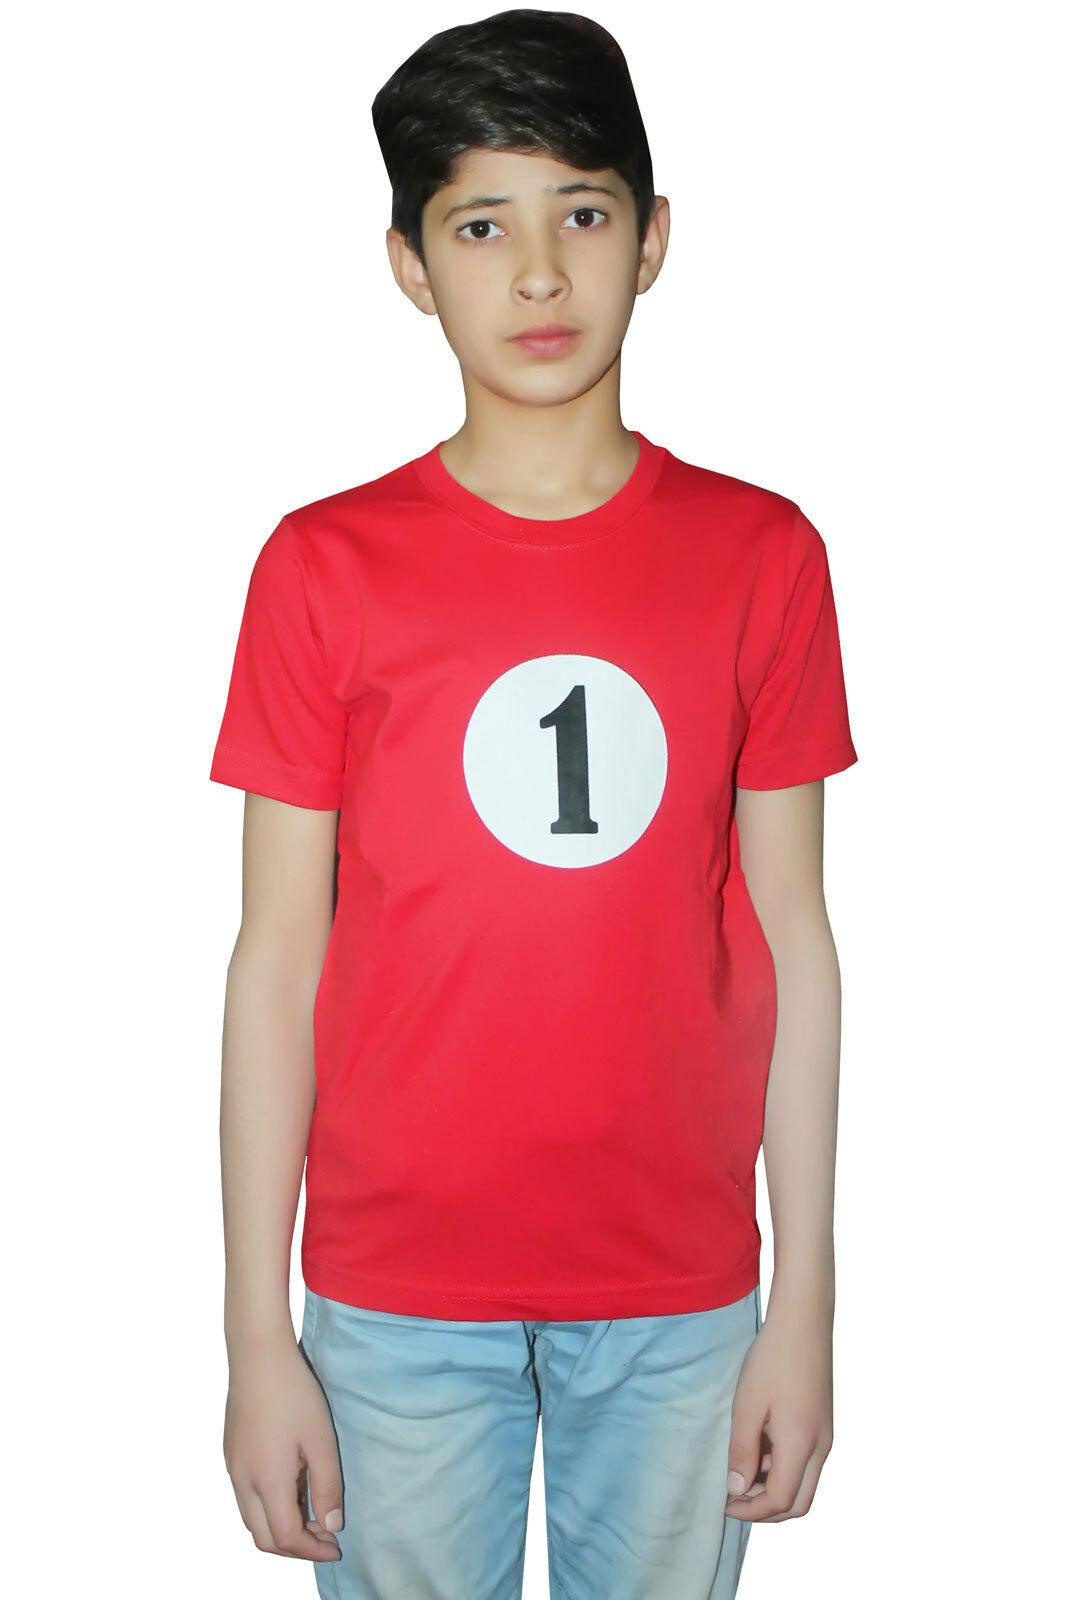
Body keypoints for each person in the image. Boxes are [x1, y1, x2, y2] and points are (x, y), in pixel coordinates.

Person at [210, 11, 859, 1598]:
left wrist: (805, 1309)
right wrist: (254, 1340)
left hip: (682, 1296)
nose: (542, 274)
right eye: (482, 227)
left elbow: (794, 936)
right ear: (410, 266)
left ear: (654, 239)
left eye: (582, 212)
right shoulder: (323, 566)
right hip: (394, 1297)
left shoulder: (763, 555)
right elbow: (277, 956)